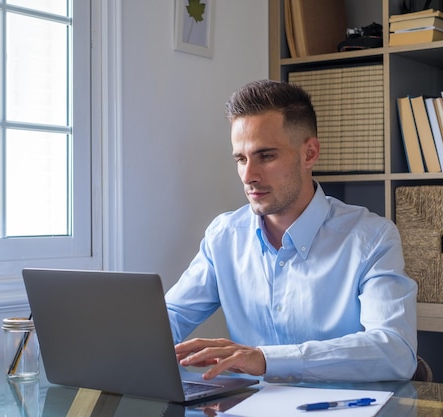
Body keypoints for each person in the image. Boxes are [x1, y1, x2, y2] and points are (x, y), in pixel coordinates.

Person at [165, 80, 418, 383]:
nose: (249, 176)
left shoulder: (371, 238)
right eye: (241, 159)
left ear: (309, 153)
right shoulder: (224, 236)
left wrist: (267, 359)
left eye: (266, 156)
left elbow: (395, 351)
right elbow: (169, 316)